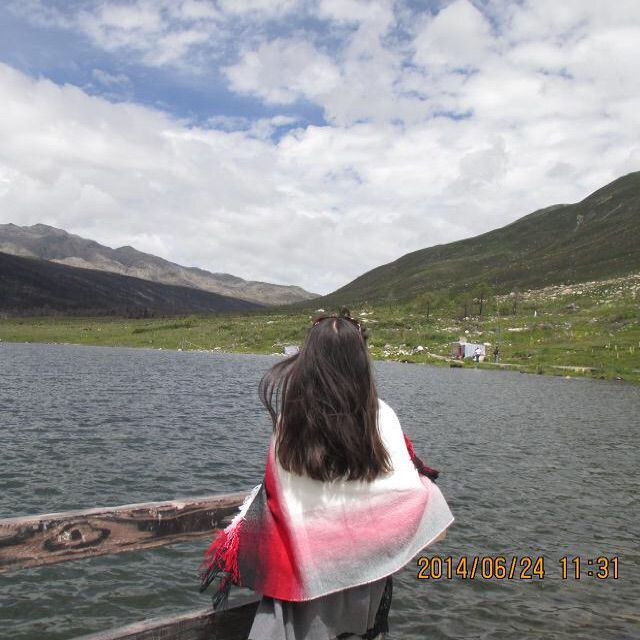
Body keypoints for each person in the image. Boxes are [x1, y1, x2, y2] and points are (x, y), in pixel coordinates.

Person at [199, 309, 454, 640]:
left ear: (310, 361)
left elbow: (276, 496)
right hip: (366, 582)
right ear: (361, 362)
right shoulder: (380, 416)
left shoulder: (291, 421)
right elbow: (406, 493)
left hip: (303, 581)